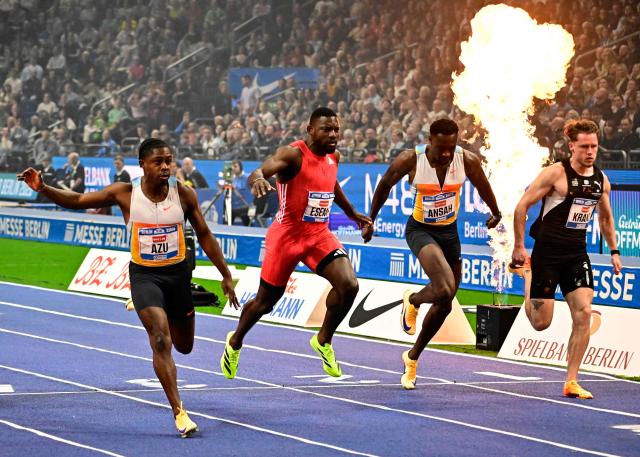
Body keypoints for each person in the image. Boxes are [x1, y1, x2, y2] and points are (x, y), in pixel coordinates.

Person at [17, 138, 239, 436]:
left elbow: (205, 234)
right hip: (145, 276)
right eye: (158, 162)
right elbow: (78, 200)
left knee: (184, 346)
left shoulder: (184, 194)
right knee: (161, 340)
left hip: (177, 277)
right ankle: (179, 412)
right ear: (143, 165)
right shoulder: (125, 194)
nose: (165, 167)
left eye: (168, 161)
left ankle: (166, 305)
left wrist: (225, 275)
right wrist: (43, 188)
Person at [220, 107, 371, 379]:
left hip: (318, 236)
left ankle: (323, 340)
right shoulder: (292, 155)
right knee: (266, 302)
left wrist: (352, 214)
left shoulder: (333, 157)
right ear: (310, 130)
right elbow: (259, 171)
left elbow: (330, 184)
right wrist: (256, 180)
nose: (334, 134)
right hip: (286, 238)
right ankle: (235, 341)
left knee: (349, 285)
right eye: (326, 129)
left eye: (336, 129)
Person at [362, 119, 502, 390]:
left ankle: (412, 357)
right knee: (443, 287)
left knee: (446, 301)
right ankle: (413, 300)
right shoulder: (411, 160)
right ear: (430, 140)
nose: (447, 154)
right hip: (420, 231)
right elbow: (384, 185)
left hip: (449, 234)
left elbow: (483, 186)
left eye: (452, 147)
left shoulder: (467, 160)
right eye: (441, 148)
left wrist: (495, 212)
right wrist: (371, 220)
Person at [511, 119, 622, 399]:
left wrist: (614, 251)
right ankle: (528, 273)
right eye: (584, 146)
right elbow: (522, 206)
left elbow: (606, 218)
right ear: (571, 146)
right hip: (547, 255)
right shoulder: (555, 174)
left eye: (594, 146)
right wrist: (519, 245)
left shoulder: (601, 180)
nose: (590, 151)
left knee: (583, 312)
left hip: (576, 254)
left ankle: (571, 380)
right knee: (540, 323)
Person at [227, 159, 252, 226]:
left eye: (235, 166)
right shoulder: (233, 179)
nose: (233, 168)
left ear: (240, 167)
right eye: (232, 167)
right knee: (227, 211)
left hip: (246, 206)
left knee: (231, 212)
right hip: (235, 206)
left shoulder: (248, 177)